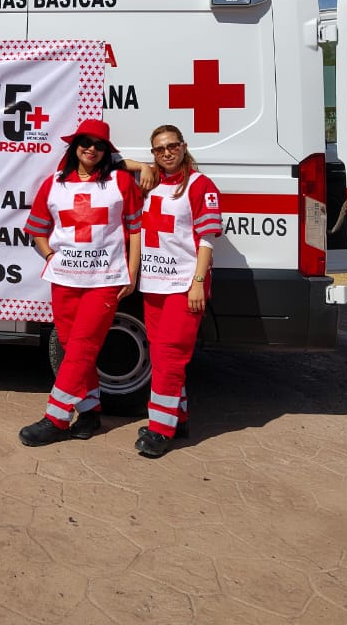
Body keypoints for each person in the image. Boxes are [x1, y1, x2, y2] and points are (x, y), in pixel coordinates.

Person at [20, 119, 143, 445]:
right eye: (85, 142)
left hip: (104, 279)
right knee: (72, 344)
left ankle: (56, 418)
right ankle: (89, 411)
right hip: (64, 280)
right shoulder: (55, 184)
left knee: (83, 346)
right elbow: (35, 229)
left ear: (107, 152)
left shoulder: (120, 182)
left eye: (99, 145)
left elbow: (134, 229)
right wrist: (49, 256)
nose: (91, 149)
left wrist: (131, 271)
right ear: (74, 146)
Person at [134, 124, 222, 458]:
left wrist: (198, 282)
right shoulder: (152, 182)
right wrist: (142, 166)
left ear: (184, 147)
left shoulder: (200, 185)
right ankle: (177, 417)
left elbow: (207, 238)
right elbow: (113, 162)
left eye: (172, 146)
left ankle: (159, 429)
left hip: (184, 286)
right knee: (160, 355)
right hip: (154, 284)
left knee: (169, 357)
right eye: (159, 149)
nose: (167, 153)